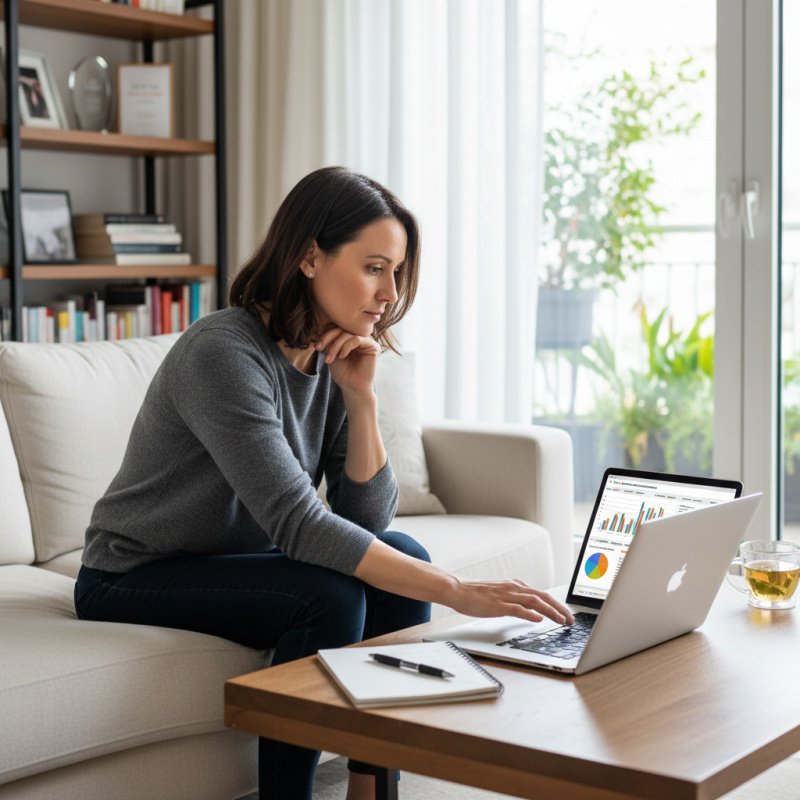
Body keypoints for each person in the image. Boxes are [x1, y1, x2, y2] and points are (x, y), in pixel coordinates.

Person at [74, 166, 573, 800]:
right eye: (373, 267)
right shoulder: (224, 353)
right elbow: (299, 525)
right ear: (310, 256)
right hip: (131, 573)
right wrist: (456, 591)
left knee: (405, 556)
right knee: (328, 598)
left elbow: (366, 523)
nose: (389, 292)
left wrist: (362, 400)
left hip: (235, 557)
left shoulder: (329, 355)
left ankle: (370, 787)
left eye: (396, 272)